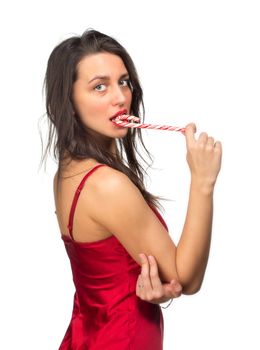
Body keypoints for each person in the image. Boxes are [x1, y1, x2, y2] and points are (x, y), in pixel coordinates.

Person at [42, 29, 222, 349]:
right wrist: (203, 182)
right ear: (68, 102)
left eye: (123, 81)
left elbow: (112, 272)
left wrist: (163, 287)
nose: (120, 97)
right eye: (100, 86)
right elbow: (188, 277)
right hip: (123, 338)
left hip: (90, 333)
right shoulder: (107, 185)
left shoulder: (69, 172)